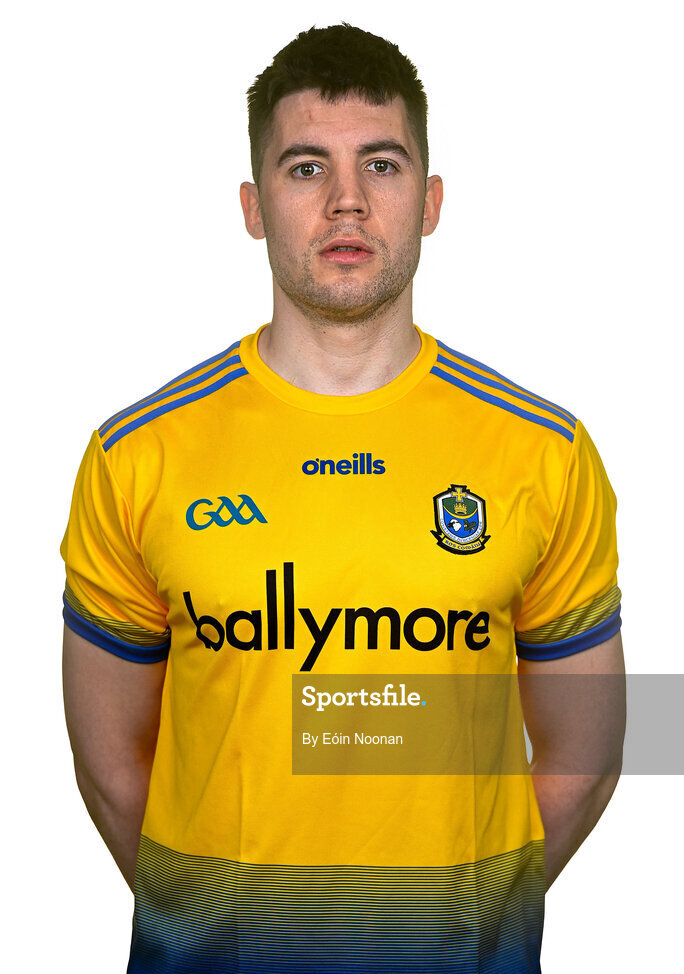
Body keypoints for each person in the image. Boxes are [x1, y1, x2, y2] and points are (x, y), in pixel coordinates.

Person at [61, 22, 626, 974]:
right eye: (307, 168)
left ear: (432, 200)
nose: (348, 202)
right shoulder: (137, 453)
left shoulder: (546, 451)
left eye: (383, 164)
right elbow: (108, 760)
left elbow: (593, 745)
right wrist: (218, 928)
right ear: (253, 205)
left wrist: (473, 924)